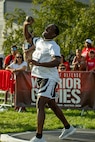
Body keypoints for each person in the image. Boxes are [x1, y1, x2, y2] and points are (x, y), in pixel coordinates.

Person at [23, 19, 76, 142]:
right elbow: (28, 37)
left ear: (53, 35)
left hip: (50, 78)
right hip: (41, 77)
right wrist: (26, 25)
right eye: (46, 28)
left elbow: (57, 61)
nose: (45, 30)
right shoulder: (39, 41)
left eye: (49, 29)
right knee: (51, 104)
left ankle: (39, 137)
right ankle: (68, 127)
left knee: (40, 103)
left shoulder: (53, 46)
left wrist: (39, 63)